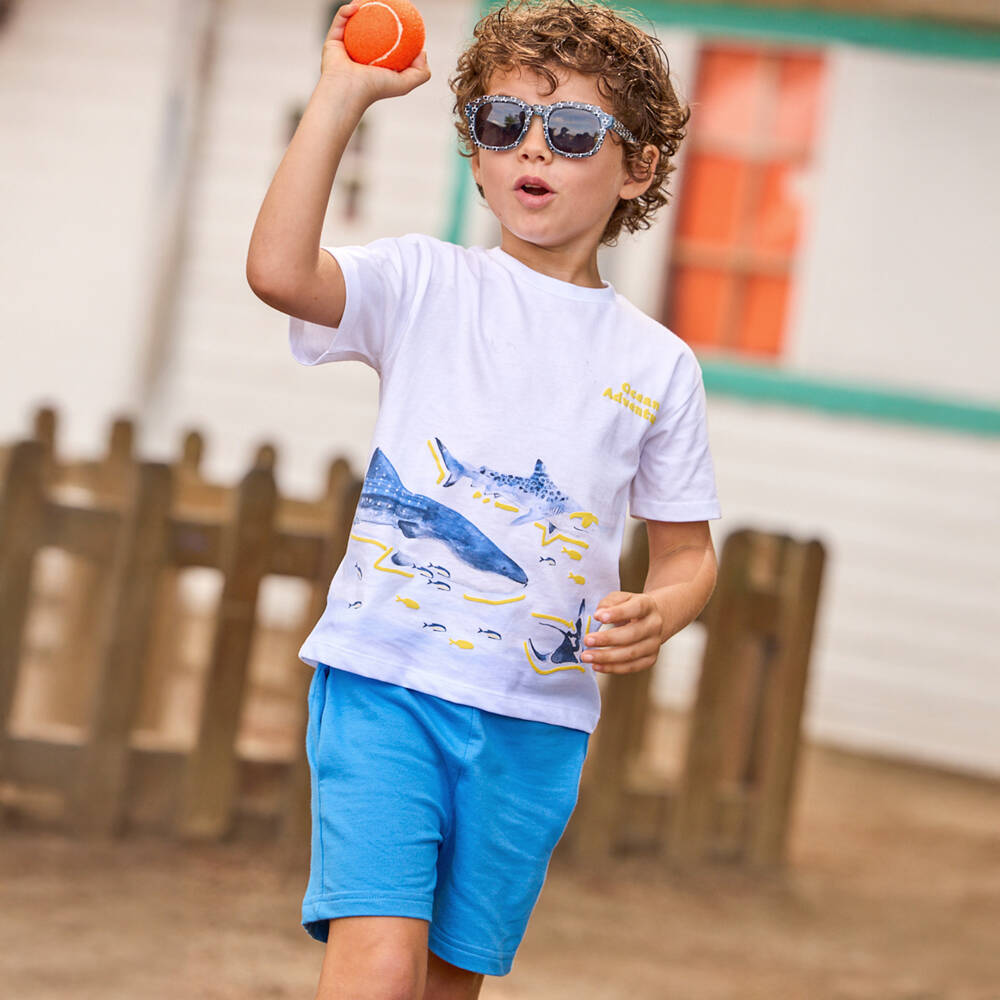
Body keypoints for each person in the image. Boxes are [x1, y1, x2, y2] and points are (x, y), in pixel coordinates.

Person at [246, 1, 721, 996]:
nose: (531, 150)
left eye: (574, 131)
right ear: (476, 149)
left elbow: (686, 553)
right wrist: (342, 97)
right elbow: (280, 271)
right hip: (384, 686)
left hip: (535, 720)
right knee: (376, 970)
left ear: (635, 168)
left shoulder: (659, 364)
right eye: (502, 124)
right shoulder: (422, 282)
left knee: (446, 984)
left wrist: (663, 611)